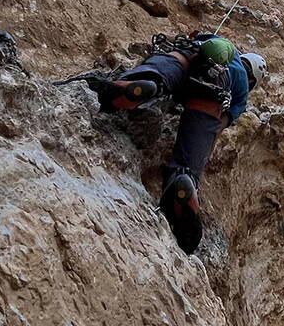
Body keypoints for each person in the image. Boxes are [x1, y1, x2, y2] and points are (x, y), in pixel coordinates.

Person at [87, 34, 266, 254]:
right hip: (217, 86)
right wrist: (202, 151)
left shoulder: (217, 41)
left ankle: (144, 83)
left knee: (170, 65)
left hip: (192, 55)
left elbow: (177, 41)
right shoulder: (241, 92)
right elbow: (217, 127)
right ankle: (184, 178)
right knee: (196, 142)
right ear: (253, 81)